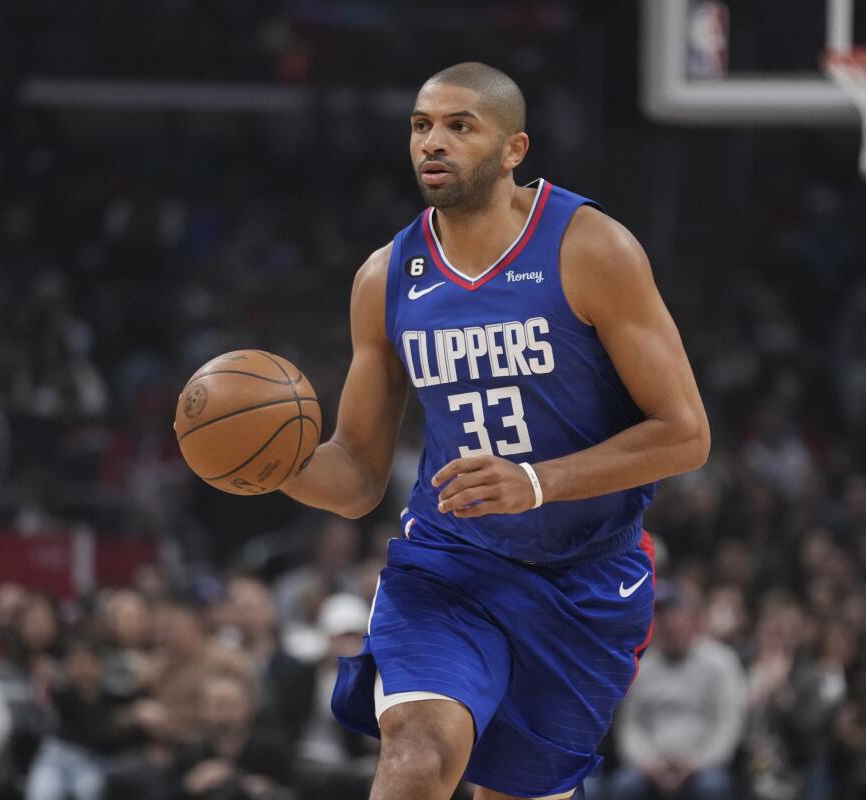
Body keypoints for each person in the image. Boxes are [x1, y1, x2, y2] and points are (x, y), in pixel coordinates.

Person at [275, 62, 711, 800]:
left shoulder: (589, 247)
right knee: (415, 751)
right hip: (451, 564)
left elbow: (684, 433)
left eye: (459, 126)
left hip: (585, 579)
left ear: (515, 149)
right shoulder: (386, 278)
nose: (432, 143)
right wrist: (271, 469)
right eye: (420, 126)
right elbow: (354, 477)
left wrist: (537, 482)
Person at [609, 580, 746, 800]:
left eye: (675, 612)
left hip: (703, 766)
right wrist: (648, 763)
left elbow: (728, 724)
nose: (667, 622)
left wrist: (697, 763)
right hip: (651, 766)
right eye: (661, 615)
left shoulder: (721, 662)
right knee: (625, 785)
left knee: (712, 788)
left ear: (693, 618)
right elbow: (631, 724)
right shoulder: (643, 666)